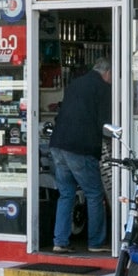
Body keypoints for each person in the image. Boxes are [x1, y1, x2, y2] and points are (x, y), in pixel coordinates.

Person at [49, 56, 111, 253]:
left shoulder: (75, 84)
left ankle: (60, 241)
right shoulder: (102, 88)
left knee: (66, 194)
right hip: (80, 148)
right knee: (94, 194)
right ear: (107, 72)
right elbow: (104, 123)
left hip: (58, 145)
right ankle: (96, 242)